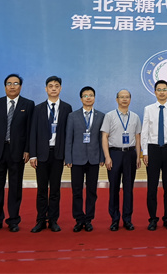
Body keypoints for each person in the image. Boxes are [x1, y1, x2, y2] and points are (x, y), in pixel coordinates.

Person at [0, 74, 35, 233]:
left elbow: (30, 129)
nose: (12, 86)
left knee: (15, 187)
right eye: (9, 83)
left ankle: (13, 220)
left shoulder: (28, 104)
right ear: (5, 86)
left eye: (16, 83)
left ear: (20, 86)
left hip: (18, 152)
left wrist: (27, 149)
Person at [29, 76, 73, 233]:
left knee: (55, 189)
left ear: (60, 88)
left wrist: (67, 155)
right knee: (41, 189)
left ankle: (53, 220)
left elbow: (69, 133)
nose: (53, 88)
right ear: (46, 89)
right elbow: (33, 132)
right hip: (41, 155)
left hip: (58, 154)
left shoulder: (67, 108)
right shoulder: (38, 108)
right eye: (50, 86)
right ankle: (41, 220)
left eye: (56, 86)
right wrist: (33, 155)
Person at [141, 80, 167, 231]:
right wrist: (145, 152)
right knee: (152, 187)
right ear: (155, 92)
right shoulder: (148, 109)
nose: (162, 92)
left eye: (164, 89)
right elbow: (145, 132)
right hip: (153, 150)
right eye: (159, 89)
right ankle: (152, 219)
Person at [65, 86, 105, 232]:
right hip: (76, 159)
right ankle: (78, 219)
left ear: (94, 98)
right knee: (77, 190)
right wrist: (68, 157)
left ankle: (88, 219)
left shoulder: (101, 116)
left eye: (91, 95)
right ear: (81, 99)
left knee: (92, 191)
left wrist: (102, 157)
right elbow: (68, 138)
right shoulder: (72, 116)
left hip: (94, 159)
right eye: (85, 95)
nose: (88, 98)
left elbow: (102, 139)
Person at [101, 89, 142, 231]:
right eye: (121, 97)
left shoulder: (135, 117)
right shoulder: (109, 116)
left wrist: (138, 156)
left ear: (130, 99)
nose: (124, 99)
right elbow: (104, 137)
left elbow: (138, 138)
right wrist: (107, 157)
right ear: (117, 99)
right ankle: (114, 219)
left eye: (127, 97)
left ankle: (127, 219)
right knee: (114, 188)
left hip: (130, 154)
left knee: (128, 188)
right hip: (115, 154)